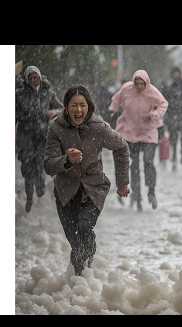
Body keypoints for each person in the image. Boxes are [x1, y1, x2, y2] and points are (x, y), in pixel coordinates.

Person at [45, 85, 130, 276]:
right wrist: (66, 159)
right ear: (66, 107)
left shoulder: (98, 128)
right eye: (74, 106)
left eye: (82, 105)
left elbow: (122, 147)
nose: (78, 110)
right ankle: (78, 283)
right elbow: (49, 165)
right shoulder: (56, 128)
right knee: (75, 242)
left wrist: (122, 181)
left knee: (84, 227)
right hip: (65, 192)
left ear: (88, 106)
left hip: (93, 188)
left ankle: (87, 275)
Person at [109, 69, 168, 211]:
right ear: (134, 82)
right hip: (130, 130)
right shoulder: (127, 89)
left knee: (148, 161)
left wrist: (155, 114)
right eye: (137, 83)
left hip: (148, 130)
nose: (140, 86)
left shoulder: (152, 91)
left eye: (142, 84)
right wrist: (113, 109)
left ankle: (151, 191)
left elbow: (163, 104)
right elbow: (116, 99)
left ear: (146, 83)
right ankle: (136, 194)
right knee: (133, 165)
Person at [16, 65, 63, 212]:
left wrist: (52, 113)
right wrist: (25, 117)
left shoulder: (48, 93)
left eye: (36, 77)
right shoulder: (19, 95)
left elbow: (61, 109)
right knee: (27, 167)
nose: (34, 80)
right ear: (27, 79)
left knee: (40, 164)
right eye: (31, 77)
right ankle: (29, 197)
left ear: (40, 77)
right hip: (25, 136)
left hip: (43, 136)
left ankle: (41, 189)